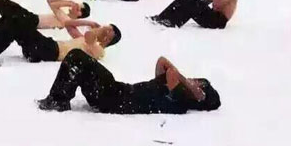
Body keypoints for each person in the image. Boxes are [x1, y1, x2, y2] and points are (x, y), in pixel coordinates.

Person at [37, 54, 221, 114]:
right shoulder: (173, 86)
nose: (194, 80)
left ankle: (58, 100)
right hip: (116, 91)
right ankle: (58, 98)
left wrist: (189, 85)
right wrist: (188, 82)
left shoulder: (179, 102)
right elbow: (161, 61)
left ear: (199, 95)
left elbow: (172, 72)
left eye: (199, 84)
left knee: (78, 58)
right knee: (77, 59)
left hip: (114, 100)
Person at [0, 13, 121, 63]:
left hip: (50, 52)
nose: (105, 30)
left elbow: (89, 37)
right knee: (13, 19)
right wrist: (88, 22)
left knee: (15, 21)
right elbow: (68, 24)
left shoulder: (99, 50)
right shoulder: (87, 40)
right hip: (47, 46)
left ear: (109, 39)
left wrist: (100, 29)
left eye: (109, 32)